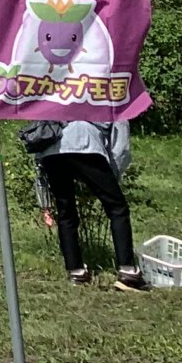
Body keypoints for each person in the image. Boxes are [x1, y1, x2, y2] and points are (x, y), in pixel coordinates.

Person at [32, 117, 149, 291]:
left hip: (52, 150)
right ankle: (128, 272)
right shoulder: (109, 92)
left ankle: (76, 271)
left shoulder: (57, 89)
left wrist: (44, 204)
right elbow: (120, 146)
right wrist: (112, 177)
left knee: (66, 211)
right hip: (85, 144)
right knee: (117, 207)